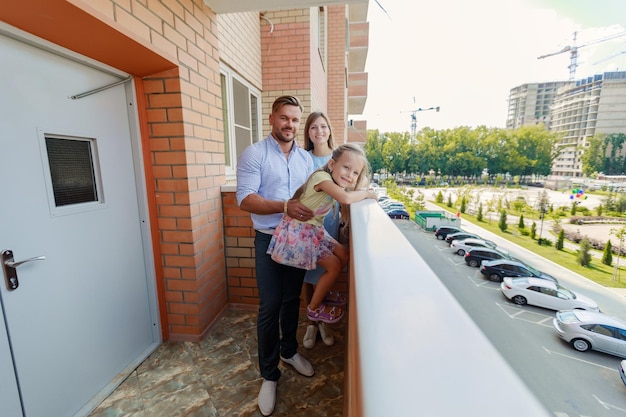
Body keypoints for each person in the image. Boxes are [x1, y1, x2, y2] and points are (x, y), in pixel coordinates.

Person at [236, 95, 315, 416]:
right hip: (268, 239)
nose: (290, 125)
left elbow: (309, 195)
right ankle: (269, 374)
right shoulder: (255, 153)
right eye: (284, 118)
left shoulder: (305, 160)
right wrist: (284, 206)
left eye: (295, 120)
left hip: (297, 238)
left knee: (290, 299)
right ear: (272, 118)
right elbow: (245, 199)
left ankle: (289, 351)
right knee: (269, 305)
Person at [266, 143, 378, 325]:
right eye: (346, 167)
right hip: (300, 232)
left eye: (355, 172)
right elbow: (347, 198)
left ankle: (323, 292)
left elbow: (352, 190)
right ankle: (314, 308)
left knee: (344, 253)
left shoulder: (333, 181)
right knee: (334, 266)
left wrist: (362, 187)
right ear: (333, 165)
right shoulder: (322, 178)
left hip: (313, 230)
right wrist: (367, 194)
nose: (350, 175)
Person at [301, 112, 343, 349]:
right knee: (308, 273)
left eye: (323, 126)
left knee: (327, 273)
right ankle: (311, 323)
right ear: (308, 132)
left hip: (331, 223)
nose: (319, 132)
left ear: (330, 129)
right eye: (313, 127)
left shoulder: (337, 157)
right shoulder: (302, 158)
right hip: (308, 225)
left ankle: (322, 318)